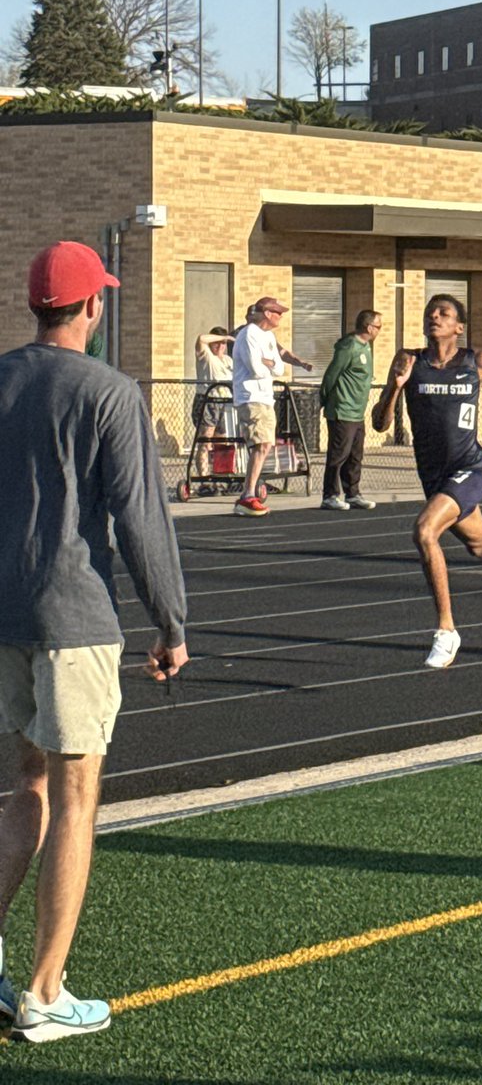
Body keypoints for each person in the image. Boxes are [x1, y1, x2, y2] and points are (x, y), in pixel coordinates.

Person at [0, 241, 188, 1043]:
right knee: (76, 796)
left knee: (25, 786)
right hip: (73, 615)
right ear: (90, 307)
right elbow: (142, 521)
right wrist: (171, 621)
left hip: (2, 613)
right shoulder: (110, 392)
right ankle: (45, 990)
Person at [372, 294, 482, 669]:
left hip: (468, 467)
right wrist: (396, 386)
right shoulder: (409, 360)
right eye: (430, 313)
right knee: (480, 544)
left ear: (459, 327)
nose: (434, 317)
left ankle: (446, 630)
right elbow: (379, 424)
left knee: (424, 532)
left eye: (444, 313)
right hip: (432, 473)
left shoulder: (476, 360)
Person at [231, 297, 291, 517]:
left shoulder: (269, 336)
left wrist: (270, 362)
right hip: (251, 396)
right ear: (267, 313)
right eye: (278, 312)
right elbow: (256, 368)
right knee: (261, 444)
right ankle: (247, 495)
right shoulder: (249, 334)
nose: (280, 316)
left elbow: (280, 369)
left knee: (264, 445)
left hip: (266, 397)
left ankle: (250, 492)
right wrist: (269, 363)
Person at [319, 310, 382, 511]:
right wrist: (325, 400)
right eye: (379, 326)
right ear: (369, 327)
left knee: (356, 456)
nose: (380, 330)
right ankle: (329, 495)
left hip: (357, 411)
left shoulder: (366, 347)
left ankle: (353, 493)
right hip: (342, 409)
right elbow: (331, 375)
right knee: (339, 455)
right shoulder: (349, 346)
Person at [192, 326, 234, 487]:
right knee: (205, 440)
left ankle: (221, 477)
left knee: (223, 440)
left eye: (223, 343)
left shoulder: (228, 361)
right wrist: (226, 338)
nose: (220, 346)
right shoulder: (206, 356)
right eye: (217, 342)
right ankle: (204, 481)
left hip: (226, 402)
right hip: (208, 400)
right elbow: (201, 339)